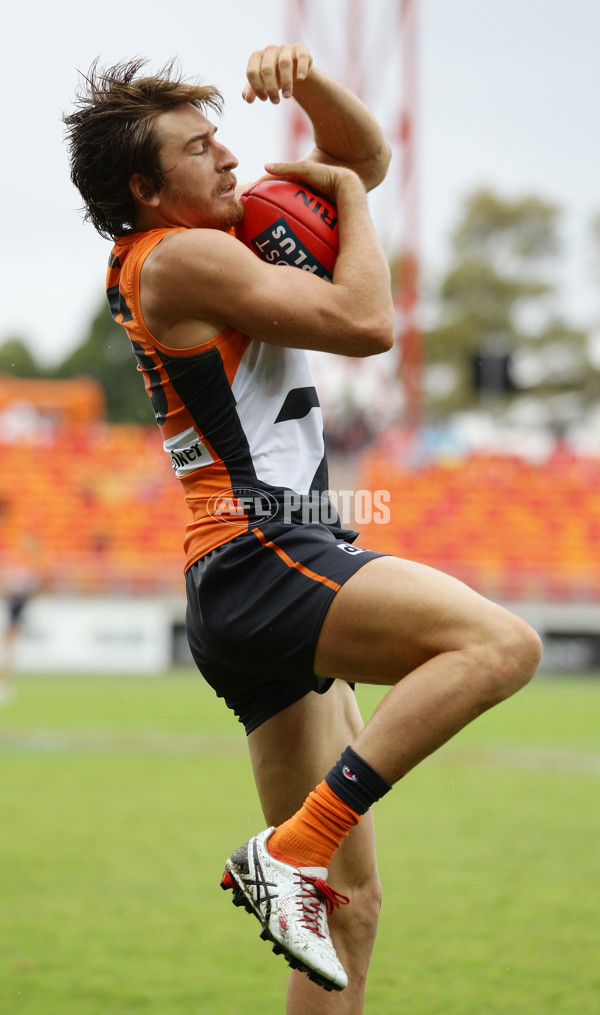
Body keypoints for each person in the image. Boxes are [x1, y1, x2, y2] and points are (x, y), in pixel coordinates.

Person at [63, 44, 542, 1014]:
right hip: (267, 552)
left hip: (242, 580)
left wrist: (313, 84)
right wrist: (353, 206)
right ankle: (288, 848)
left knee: (342, 909)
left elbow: (361, 160)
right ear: (146, 190)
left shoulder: (211, 240)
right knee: (499, 644)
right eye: (201, 151)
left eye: (220, 137)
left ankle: (298, 864)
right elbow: (367, 322)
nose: (230, 158)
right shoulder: (185, 256)